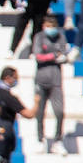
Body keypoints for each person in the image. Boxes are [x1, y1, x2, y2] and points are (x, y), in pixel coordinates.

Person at [31, 15, 69, 155]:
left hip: (56, 81)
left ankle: (58, 141)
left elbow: (64, 54)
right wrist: (54, 56)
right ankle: (40, 140)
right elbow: (38, 56)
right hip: (40, 80)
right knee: (40, 112)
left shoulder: (60, 36)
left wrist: (62, 57)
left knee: (59, 112)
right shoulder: (39, 37)